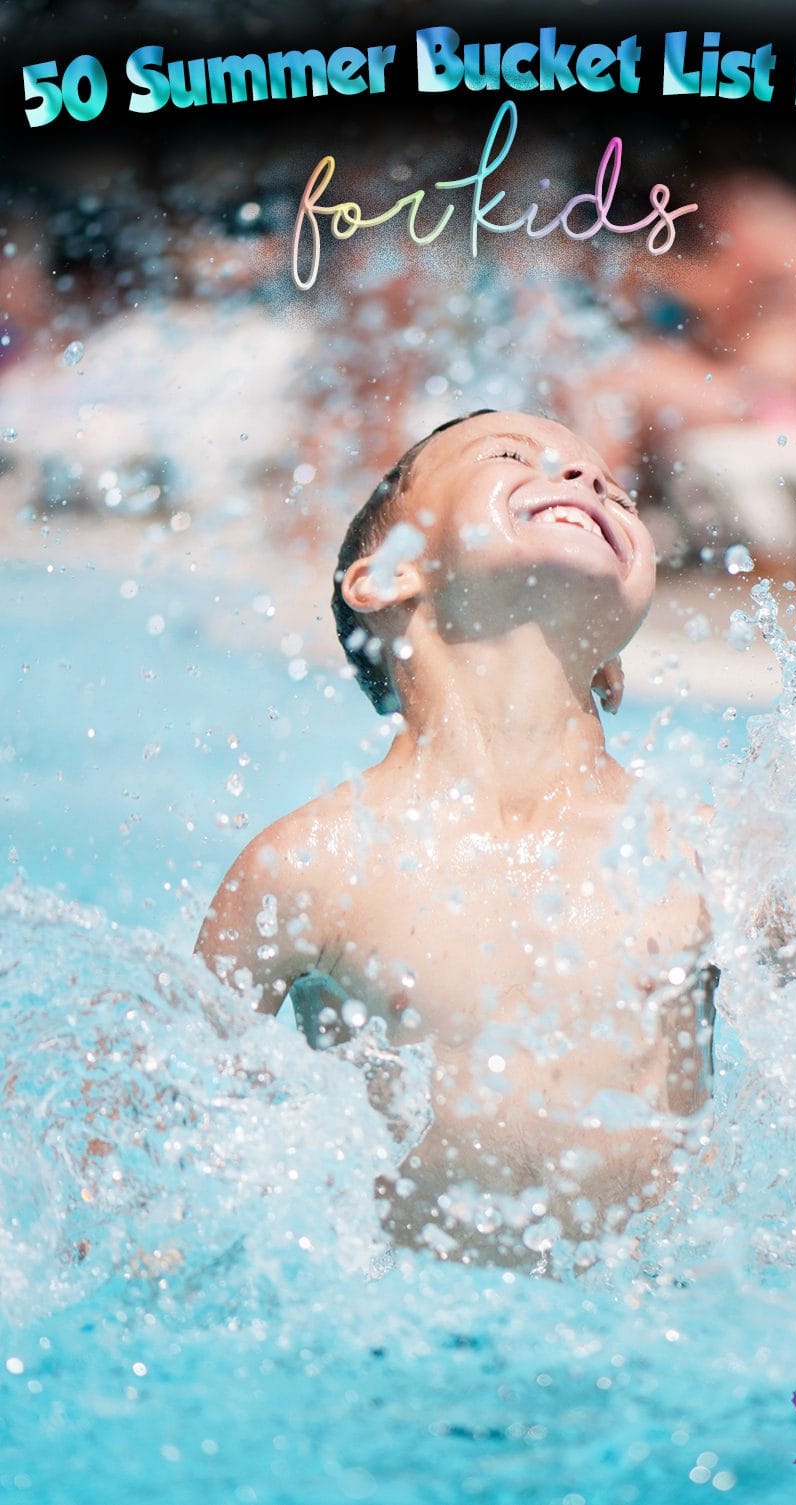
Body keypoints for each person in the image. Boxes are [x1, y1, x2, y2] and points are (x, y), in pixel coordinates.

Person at [195, 409, 717, 1272]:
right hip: (391, 1339)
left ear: (615, 663)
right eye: (514, 457)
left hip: (640, 1333)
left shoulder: (699, 853)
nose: (588, 482)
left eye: (614, 490)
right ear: (386, 575)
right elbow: (177, 1142)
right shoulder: (311, 866)